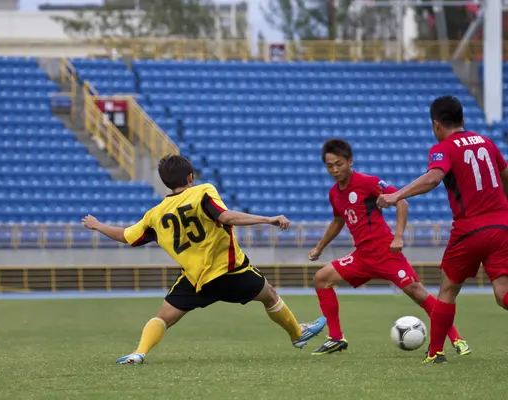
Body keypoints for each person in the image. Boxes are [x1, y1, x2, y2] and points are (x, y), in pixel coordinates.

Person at [82, 155, 326, 365]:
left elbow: (126, 236)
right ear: (190, 177)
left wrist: (97, 225)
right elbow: (225, 216)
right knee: (270, 295)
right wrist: (267, 219)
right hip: (231, 271)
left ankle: (138, 353)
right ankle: (296, 334)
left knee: (162, 318)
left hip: (196, 279)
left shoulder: (154, 215)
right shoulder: (202, 191)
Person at [308, 139, 469, 356]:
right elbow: (338, 221)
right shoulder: (334, 194)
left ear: (350, 161)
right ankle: (336, 338)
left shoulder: (367, 182)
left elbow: (402, 202)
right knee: (321, 278)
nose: (335, 170)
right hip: (362, 256)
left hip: (385, 252)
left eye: (339, 164)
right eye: (330, 166)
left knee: (418, 293)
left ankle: (457, 339)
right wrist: (319, 247)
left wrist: (398, 237)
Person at [378, 95, 508, 364]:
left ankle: (435, 352)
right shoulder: (487, 142)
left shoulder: (444, 148)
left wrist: (396, 195)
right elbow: (505, 176)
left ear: (436, 124)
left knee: (448, 290)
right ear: (463, 119)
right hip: (502, 226)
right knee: (502, 292)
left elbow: (433, 178)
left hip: (470, 229)